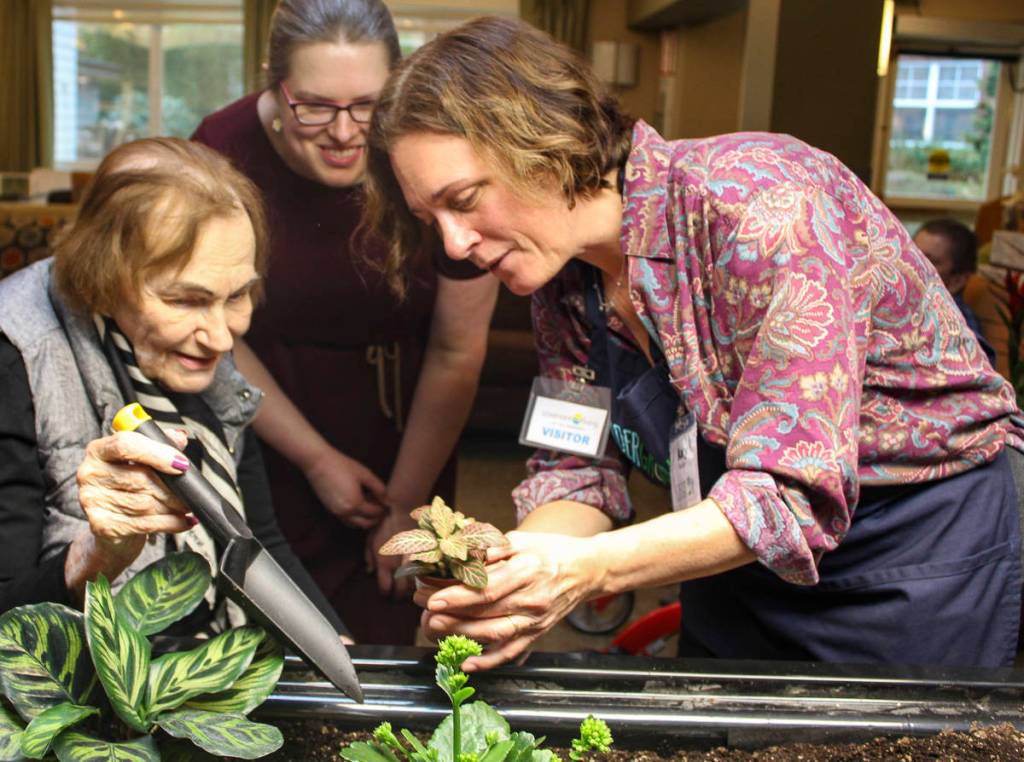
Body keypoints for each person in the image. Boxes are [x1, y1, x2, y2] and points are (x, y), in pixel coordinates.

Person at [363, 15, 1024, 670]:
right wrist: (517, 569)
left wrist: (585, 570)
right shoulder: (563, 285)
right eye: (432, 220)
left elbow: (787, 493)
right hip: (730, 558)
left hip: (910, 561)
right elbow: (576, 468)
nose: (455, 244)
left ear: (542, 140)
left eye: (466, 198)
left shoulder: (762, 203)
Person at [192, 0, 497, 644]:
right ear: (276, 83)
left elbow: (456, 352)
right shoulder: (221, 150)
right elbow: (218, 332)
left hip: (408, 427)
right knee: (270, 630)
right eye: (315, 106)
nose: (344, 131)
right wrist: (315, 458)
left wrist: (403, 507)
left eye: (368, 104)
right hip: (266, 419)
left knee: (387, 630)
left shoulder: (438, 151)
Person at [0, 137, 347, 639]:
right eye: (186, 300)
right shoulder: (16, 357)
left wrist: (335, 643)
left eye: (239, 295)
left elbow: (255, 539)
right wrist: (96, 557)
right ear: (103, 277)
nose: (223, 337)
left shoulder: (194, 348)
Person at [913, 218, 996, 366]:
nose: (910, 264)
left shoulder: (960, 332)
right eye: (910, 254)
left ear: (956, 281)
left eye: (926, 260)